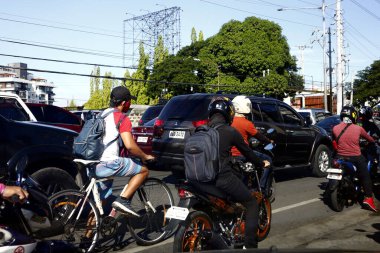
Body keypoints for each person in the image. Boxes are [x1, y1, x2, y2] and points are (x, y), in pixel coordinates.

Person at [207, 96, 270, 249]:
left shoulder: (200, 130)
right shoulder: (230, 131)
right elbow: (248, 152)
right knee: (252, 203)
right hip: (221, 178)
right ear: (229, 114)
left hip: (198, 178)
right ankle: (250, 246)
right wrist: (261, 163)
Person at [95, 86, 154, 216]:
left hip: (93, 163)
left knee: (100, 201)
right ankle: (123, 200)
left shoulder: (101, 114)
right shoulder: (121, 118)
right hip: (109, 163)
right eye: (129, 101)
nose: (130, 104)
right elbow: (130, 146)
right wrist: (144, 156)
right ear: (124, 103)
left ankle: (90, 234)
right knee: (143, 170)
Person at [332, 105, 377, 212]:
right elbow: (370, 139)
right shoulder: (358, 128)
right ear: (353, 116)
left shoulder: (335, 128)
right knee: (365, 176)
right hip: (356, 157)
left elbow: (334, 142)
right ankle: (368, 198)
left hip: (339, 156)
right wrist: (373, 141)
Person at [230, 96, 274, 190]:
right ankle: (262, 188)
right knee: (268, 159)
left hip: (228, 155)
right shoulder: (246, 123)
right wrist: (268, 141)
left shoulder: (228, 121)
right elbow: (259, 136)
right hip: (242, 154)